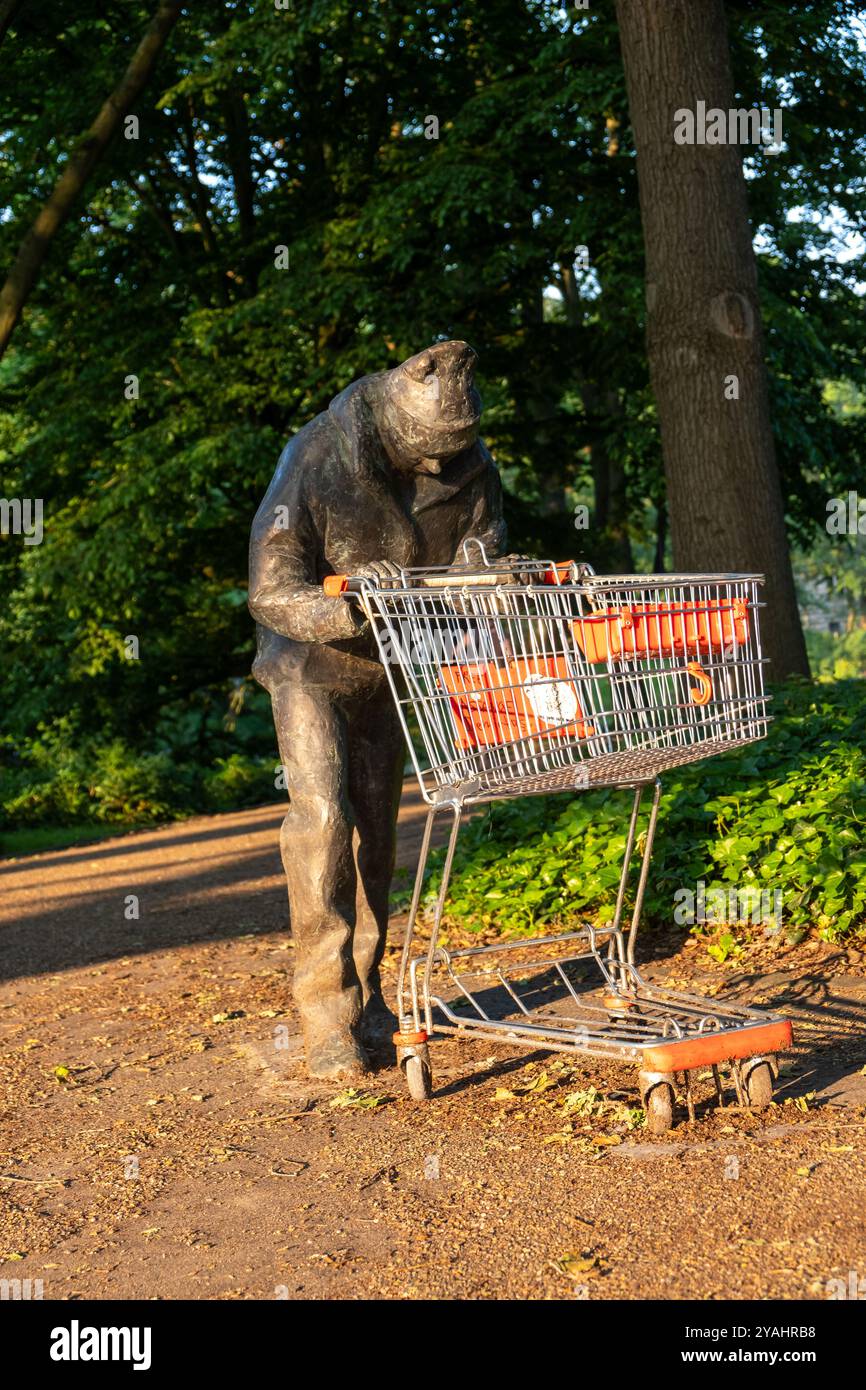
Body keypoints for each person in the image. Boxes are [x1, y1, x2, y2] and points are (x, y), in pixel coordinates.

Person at [248, 341, 506, 1078]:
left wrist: (488, 581)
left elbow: (481, 552)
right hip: (311, 668)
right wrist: (353, 608)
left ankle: (369, 994)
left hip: (394, 669)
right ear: (392, 423)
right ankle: (326, 1013)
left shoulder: (468, 462)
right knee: (323, 819)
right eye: (425, 452)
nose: (438, 468)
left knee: (377, 839)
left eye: (450, 453)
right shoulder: (317, 456)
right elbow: (270, 588)